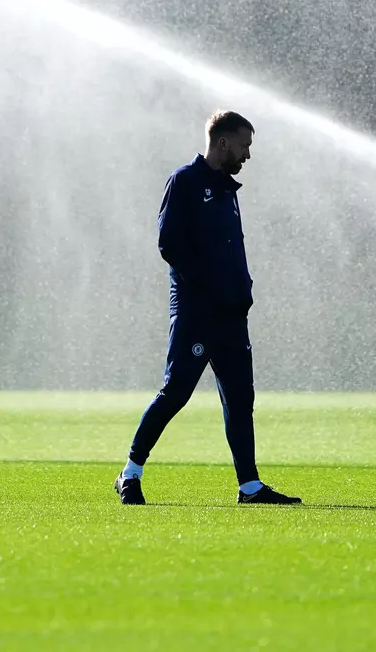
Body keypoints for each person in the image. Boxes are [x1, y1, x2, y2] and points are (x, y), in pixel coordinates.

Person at [114, 109, 301, 506]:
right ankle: (130, 473)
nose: (248, 154)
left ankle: (249, 487)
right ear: (223, 143)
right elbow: (169, 245)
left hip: (231, 315)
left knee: (240, 399)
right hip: (198, 314)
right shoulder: (185, 181)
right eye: (244, 145)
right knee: (176, 392)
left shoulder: (228, 191)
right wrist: (208, 290)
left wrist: (240, 290)